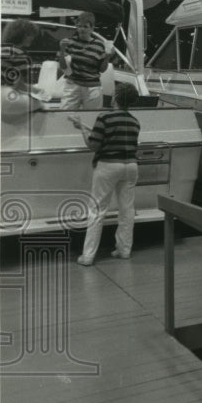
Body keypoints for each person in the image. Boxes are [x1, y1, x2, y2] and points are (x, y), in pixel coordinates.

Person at [70, 82, 141, 266]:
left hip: (108, 167)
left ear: (116, 98)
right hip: (131, 167)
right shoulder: (134, 121)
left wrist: (83, 131)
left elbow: (93, 145)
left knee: (97, 210)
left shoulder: (104, 117)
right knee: (127, 210)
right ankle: (124, 250)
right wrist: (85, 128)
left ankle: (88, 256)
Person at [58, 11, 118, 110]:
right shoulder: (70, 42)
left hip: (92, 88)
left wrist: (107, 57)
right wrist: (62, 49)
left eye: (85, 26)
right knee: (64, 115)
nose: (82, 29)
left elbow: (102, 69)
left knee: (91, 118)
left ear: (92, 28)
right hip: (72, 86)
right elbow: (63, 67)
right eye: (79, 26)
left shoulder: (99, 45)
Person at [1, 19, 39, 91]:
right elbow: (19, 86)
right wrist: (39, 91)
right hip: (7, 96)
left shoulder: (1, 51)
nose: (32, 38)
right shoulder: (20, 55)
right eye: (30, 35)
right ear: (21, 35)